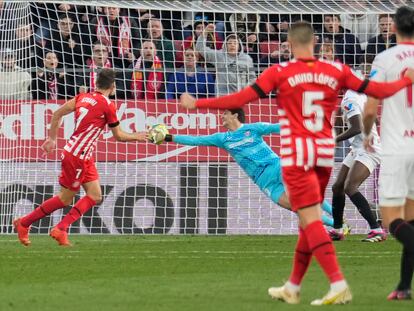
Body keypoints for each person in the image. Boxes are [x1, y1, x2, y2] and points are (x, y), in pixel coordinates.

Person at [180, 21, 414, 305]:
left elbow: (241, 98)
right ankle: (292, 286)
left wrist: (199, 104)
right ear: (314, 44)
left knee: (310, 219)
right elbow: (378, 89)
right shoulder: (337, 70)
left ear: (289, 45)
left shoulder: (280, 71)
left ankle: (338, 283)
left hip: (297, 154)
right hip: (324, 154)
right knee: (308, 217)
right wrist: (406, 80)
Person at [13, 69, 148, 247]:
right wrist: (137, 136)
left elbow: (56, 114)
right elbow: (119, 136)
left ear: (97, 83)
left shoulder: (82, 97)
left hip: (82, 154)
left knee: (95, 195)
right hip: (77, 156)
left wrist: (52, 138)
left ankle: (61, 228)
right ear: (113, 86)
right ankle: (24, 223)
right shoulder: (108, 105)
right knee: (65, 198)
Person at [154, 108, 334, 226]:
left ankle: (337, 216)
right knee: (295, 206)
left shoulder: (253, 129)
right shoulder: (222, 139)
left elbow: (277, 127)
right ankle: (337, 225)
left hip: (277, 166)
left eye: (225, 113)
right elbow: (197, 140)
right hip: (263, 181)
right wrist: (169, 137)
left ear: (234, 115)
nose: (222, 116)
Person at [363, 6, 414, 300]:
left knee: (390, 220)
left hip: (397, 149)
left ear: (393, 29)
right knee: (411, 218)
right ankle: (404, 286)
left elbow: (370, 107)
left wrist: (368, 134)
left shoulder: (384, 59)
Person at [329, 89, 385, 242]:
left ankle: (377, 230)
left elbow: (356, 128)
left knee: (350, 187)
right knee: (337, 187)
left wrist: (333, 140)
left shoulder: (349, 100)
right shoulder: (359, 96)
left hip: (368, 150)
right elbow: (375, 119)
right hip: (358, 148)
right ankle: (337, 229)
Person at [196, 24, 256, 96]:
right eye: (230, 43)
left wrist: (245, 89)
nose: (232, 45)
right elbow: (200, 48)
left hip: (240, 96)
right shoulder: (219, 56)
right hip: (222, 96)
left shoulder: (247, 59)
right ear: (225, 45)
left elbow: (252, 78)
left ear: (239, 46)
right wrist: (205, 33)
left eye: (235, 43)